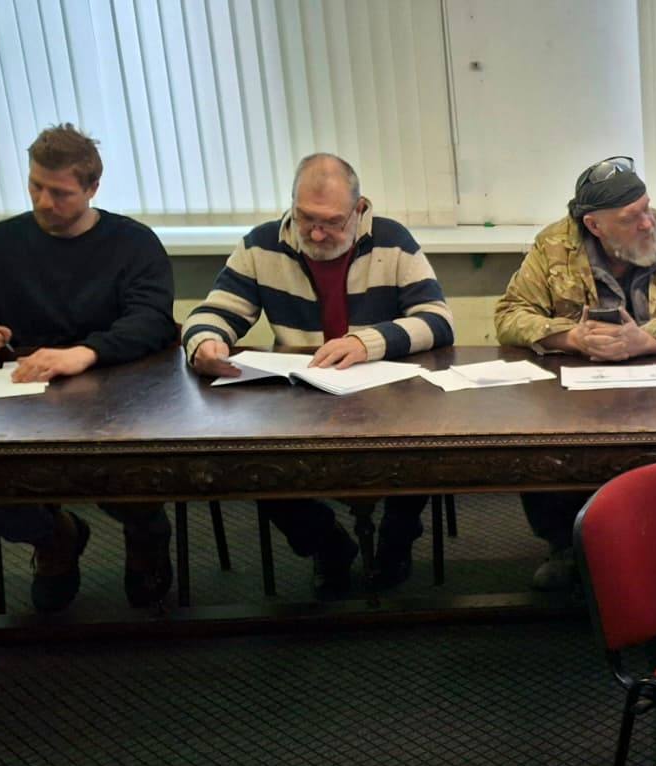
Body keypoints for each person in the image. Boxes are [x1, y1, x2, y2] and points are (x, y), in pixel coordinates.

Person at [183, 154, 454, 596]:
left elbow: (438, 320)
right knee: (248, 457)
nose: (315, 233)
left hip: (384, 394)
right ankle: (327, 545)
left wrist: (368, 342)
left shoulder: (392, 241)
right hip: (300, 395)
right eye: (305, 218)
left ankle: (397, 540)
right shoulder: (262, 244)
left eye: (331, 222)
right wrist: (205, 343)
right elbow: (213, 311)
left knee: (423, 443)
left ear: (359, 208)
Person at [0, 124, 176, 611]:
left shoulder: (132, 242)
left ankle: (145, 531)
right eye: (36, 186)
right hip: (20, 396)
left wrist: (85, 352)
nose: (44, 202)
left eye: (60, 193)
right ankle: (54, 536)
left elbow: (153, 320)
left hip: (117, 394)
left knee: (127, 468)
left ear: (92, 189)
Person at [494, 157, 656, 590]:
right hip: (578, 394)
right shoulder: (554, 245)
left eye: (646, 207)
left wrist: (648, 339)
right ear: (594, 225)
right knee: (541, 441)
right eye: (630, 217)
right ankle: (565, 546)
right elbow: (510, 316)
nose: (647, 222)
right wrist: (571, 337)